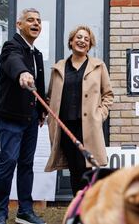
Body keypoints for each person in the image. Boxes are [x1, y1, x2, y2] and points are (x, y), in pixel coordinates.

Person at [44, 25, 114, 196]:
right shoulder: (58, 68)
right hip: (66, 127)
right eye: (79, 37)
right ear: (71, 41)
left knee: (86, 168)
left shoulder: (98, 66)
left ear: (90, 45)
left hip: (88, 127)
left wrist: (100, 115)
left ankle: (86, 209)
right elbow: (50, 96)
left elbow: (108, 95)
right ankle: (78, 208)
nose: (82, 41)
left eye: (86, 39)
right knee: (75, 170)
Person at [0, 8, 46, 224]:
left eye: (39, 21)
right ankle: (0, 213)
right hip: (11, 117)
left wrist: (41, 110)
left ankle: (25, 210)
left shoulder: (37, 53)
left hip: (31, 117)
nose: (36, 24)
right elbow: (13, 61)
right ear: (19, 24)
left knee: (26, 164)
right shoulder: (11, 47)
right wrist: (22, 73)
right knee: (8, 163)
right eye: (30, 20)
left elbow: (39, 85)